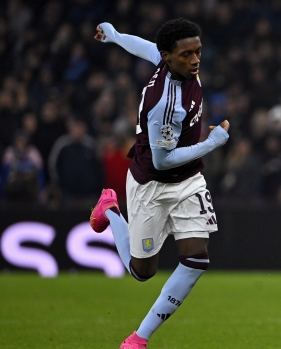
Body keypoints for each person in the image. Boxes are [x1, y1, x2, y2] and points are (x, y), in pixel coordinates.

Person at [89, 18, 230, 349]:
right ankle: (110, 209)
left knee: (196, 258)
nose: (195, 60)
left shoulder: (173, 64)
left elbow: (143, 47)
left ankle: (138, 339)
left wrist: (113, 34)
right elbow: (161, 161)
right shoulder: (164, 105)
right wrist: (213, 142)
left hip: (189, 179)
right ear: (169, 57)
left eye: (198, 52)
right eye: (187, 55)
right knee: (141, 272)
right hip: (152, 183)